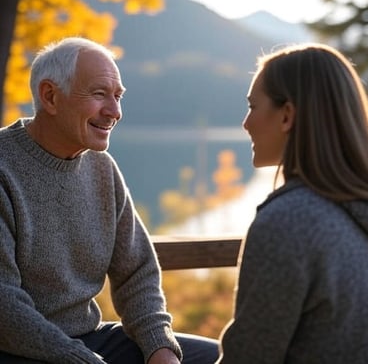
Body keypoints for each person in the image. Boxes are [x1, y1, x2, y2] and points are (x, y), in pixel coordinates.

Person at [0, 37, 218, 364]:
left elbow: (137, 274)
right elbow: (4, 305)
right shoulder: (5, 167)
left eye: (117, 96)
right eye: (100, 94)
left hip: (91, 341)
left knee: (223, 357)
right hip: (15, 350)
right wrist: (78, 358)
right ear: (50, 96)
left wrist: (160, 347)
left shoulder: (103, 169)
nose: (114, 112)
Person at [217, 43, 368, 363]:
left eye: (253, 106)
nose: (245, 123)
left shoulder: (289, 222)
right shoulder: (361, 211)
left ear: (287, 115)